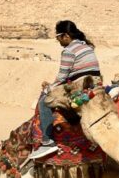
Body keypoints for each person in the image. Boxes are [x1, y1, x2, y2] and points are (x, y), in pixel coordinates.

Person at [31, 20, 103, 161]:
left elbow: (62, 77)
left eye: (58, 37)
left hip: (80, 87)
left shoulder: (69, 51)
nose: (58, 41)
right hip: (95, 85)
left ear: (65, 36)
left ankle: (47, 141)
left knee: (45, 101)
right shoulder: (87, 47)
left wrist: (49, 88)